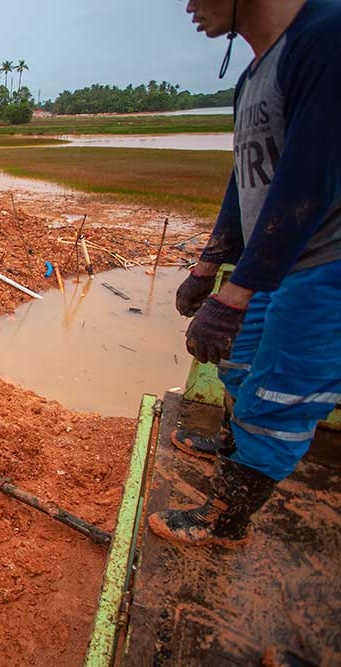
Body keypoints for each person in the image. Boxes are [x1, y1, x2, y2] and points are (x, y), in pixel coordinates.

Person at [149, 0, 341, 547]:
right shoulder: (253, 76)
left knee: (275, 404)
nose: (188, 7)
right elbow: (246, 182)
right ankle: (232, 449)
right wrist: (210, 264)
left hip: (323, 270)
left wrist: (235, 294)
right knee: (234, 365)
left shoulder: (326, 40)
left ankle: (225, 521)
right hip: (267, 265)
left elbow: (306, 186)